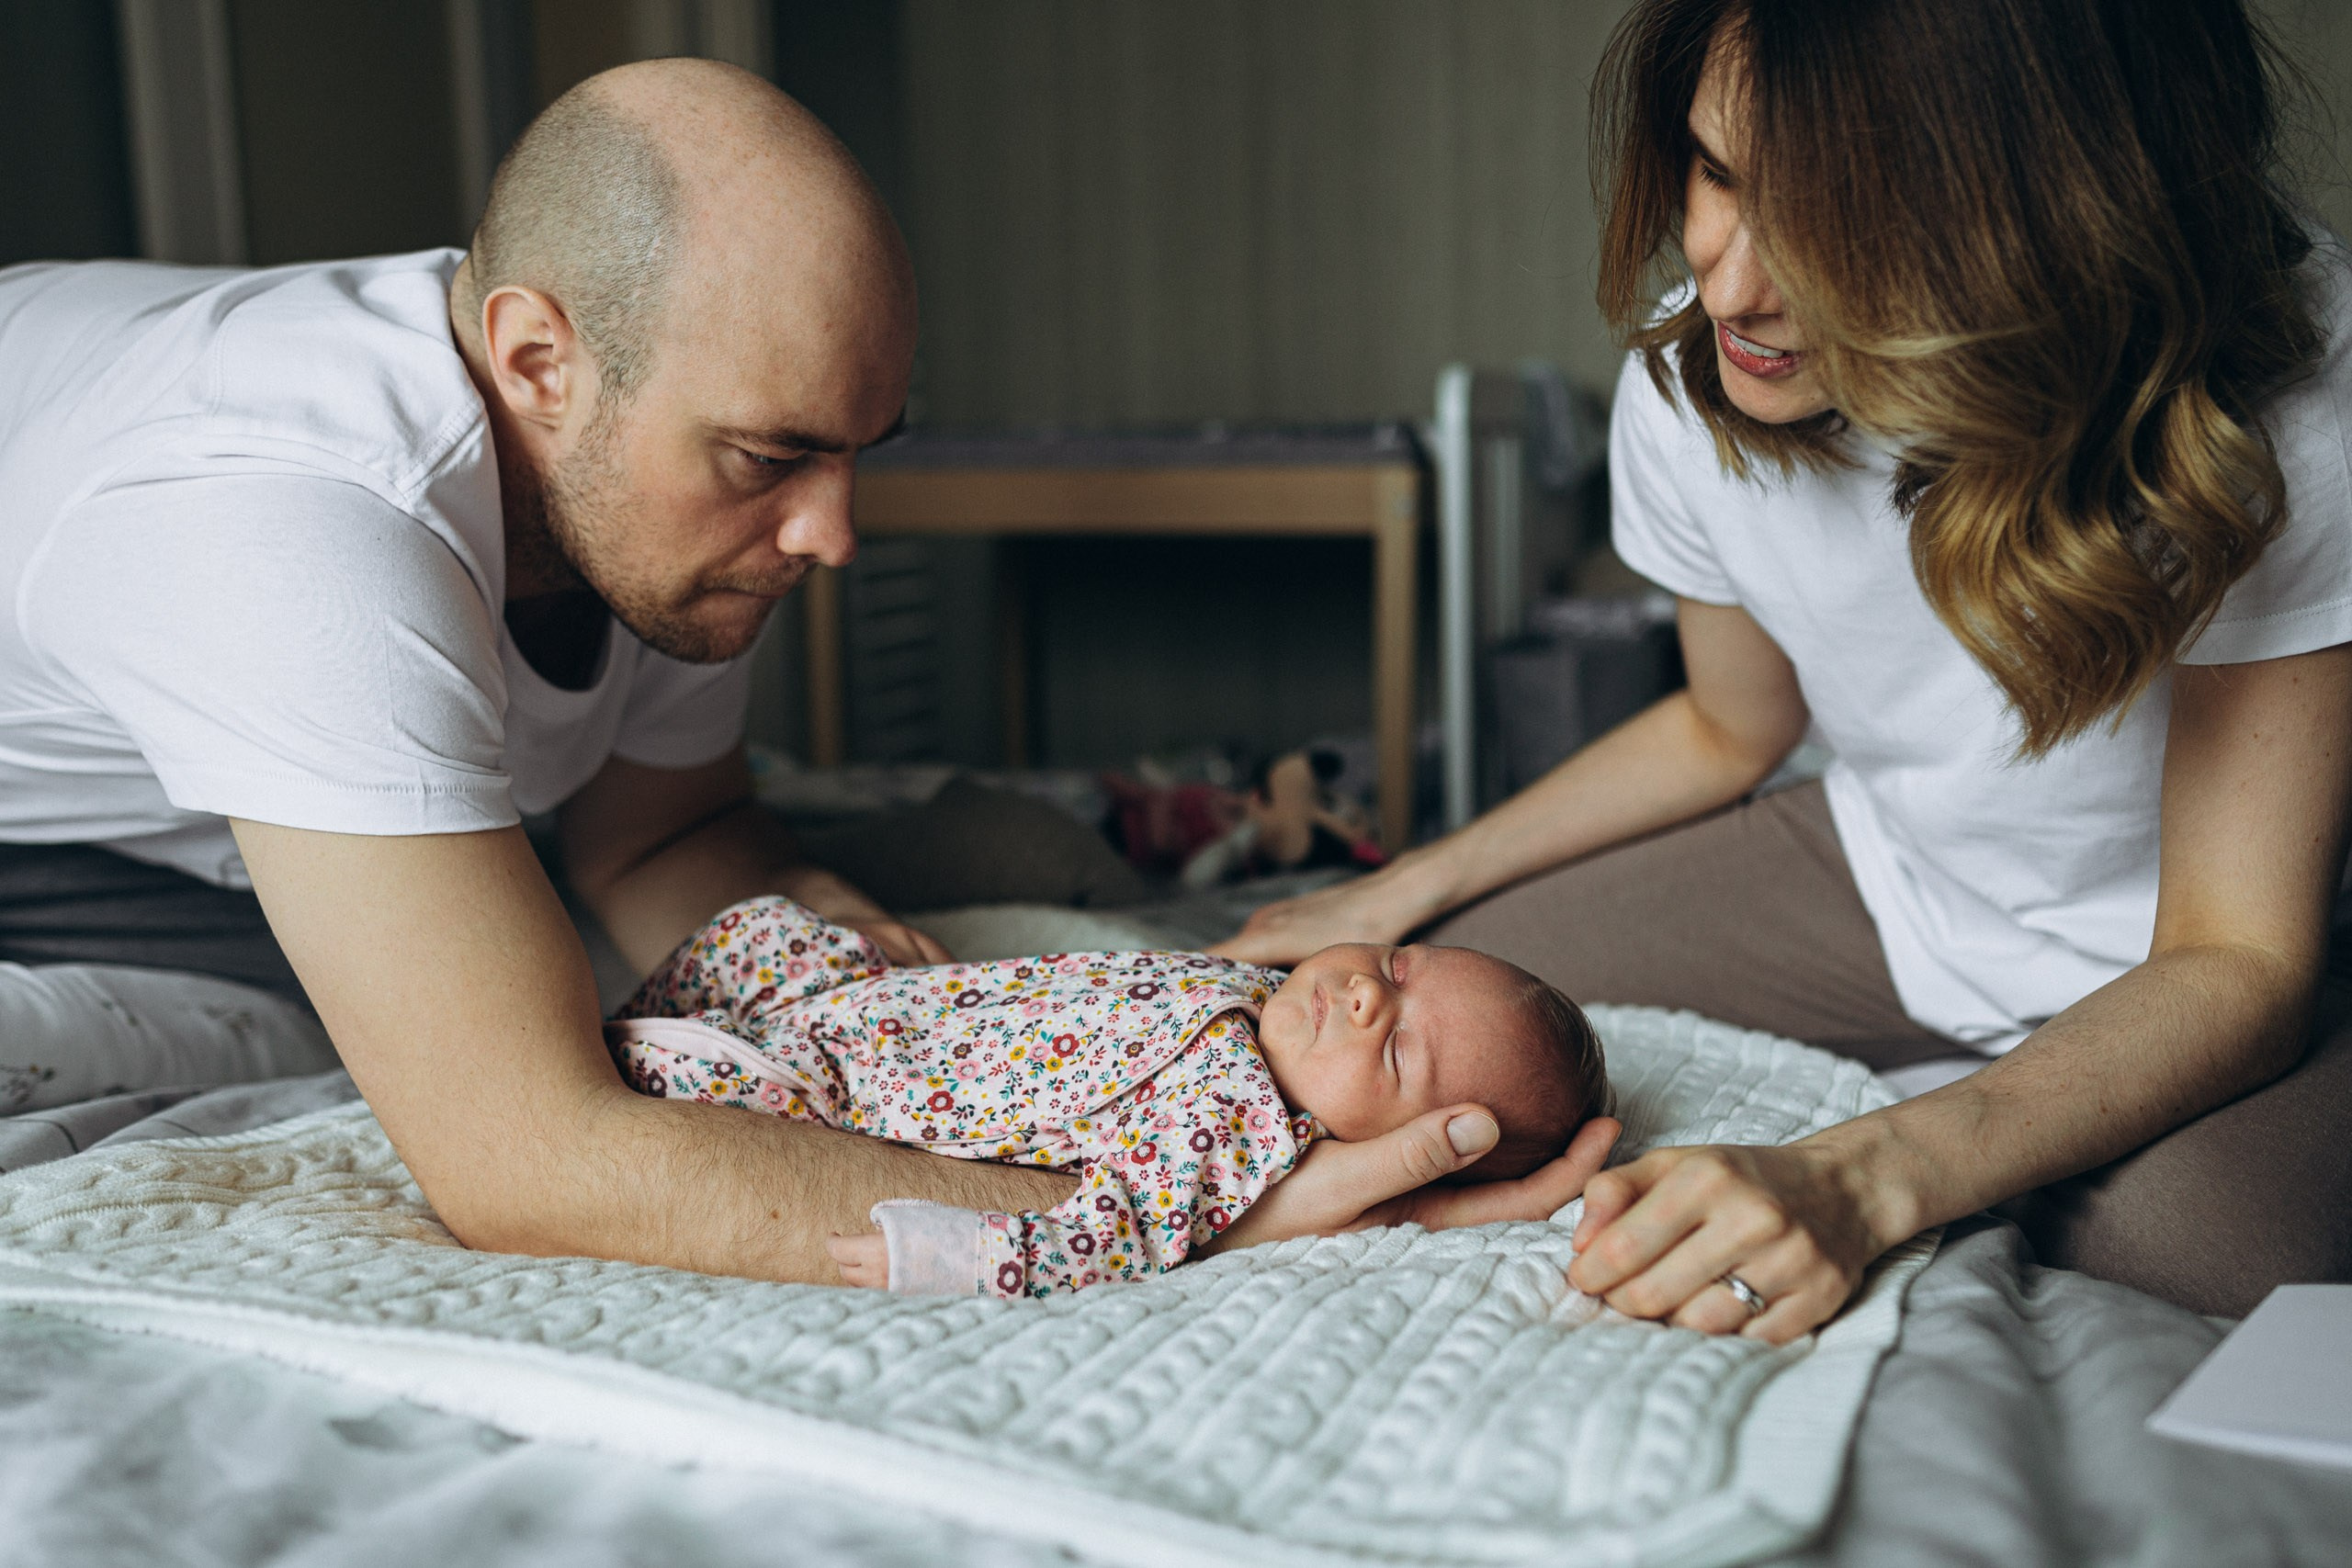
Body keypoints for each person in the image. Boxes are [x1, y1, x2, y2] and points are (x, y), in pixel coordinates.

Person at [0, 59, 1605, 1280]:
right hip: (51, 847)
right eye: (771, 455)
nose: (834, 534)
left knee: (1013, 864)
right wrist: (1208, 1213)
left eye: (855, 452)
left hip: (175, 809)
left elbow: (661, 834)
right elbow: (528, 1164)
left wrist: (833, 961)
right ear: (536, 359)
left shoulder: (645, 486)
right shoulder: (298, 531)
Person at [1220, 0, 2352, 1335]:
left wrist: (1872, 1171)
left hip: (2222, 948)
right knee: (1447, 1034)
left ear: (2039, 235)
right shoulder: (1697, 369)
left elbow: (2235, 950)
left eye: (1839, 231)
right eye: (1716, 173)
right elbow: (1723, 726)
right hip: (1885, 875)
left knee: (2205, 1266)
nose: (1727, 279)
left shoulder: (2290, 397)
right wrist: (1414, 884)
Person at [603, 895, 1615, 1297]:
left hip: (850, 1085)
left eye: (1394, 1056)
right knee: (767, 928)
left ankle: (606, 1060)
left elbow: (1119, 1228)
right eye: (1394, 968)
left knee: (678, 1073)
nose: (1359, 997)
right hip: (885, 1003)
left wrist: (966, 1255)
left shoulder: (1238, 1124)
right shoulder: (1269, 997)